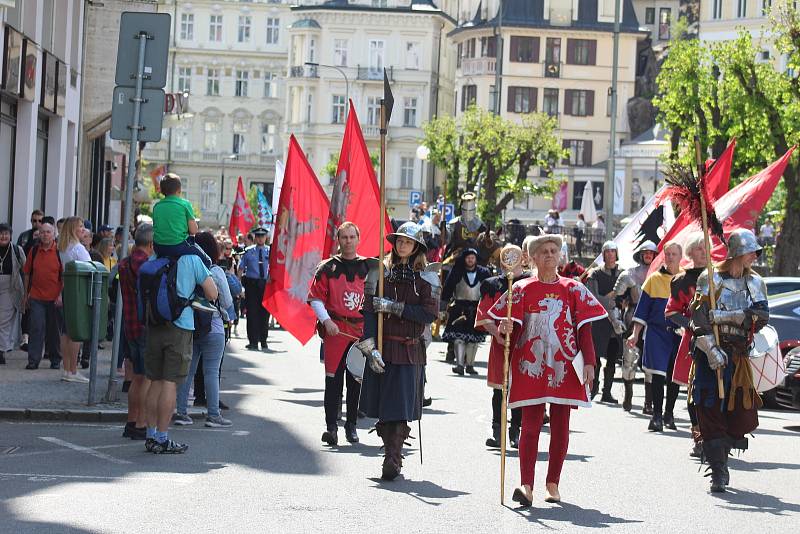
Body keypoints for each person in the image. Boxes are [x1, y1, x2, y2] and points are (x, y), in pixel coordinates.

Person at [496, 234, 605, 506]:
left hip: (564, 364)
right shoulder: (520, 288)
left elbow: (584, 329)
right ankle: (526, 484)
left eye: (554, 250)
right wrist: (504, 328)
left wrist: (589, 362)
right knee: (530, 426)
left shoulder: (574, 289)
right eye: (543, 251)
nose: (549, 255)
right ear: (532, 257)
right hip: (531, 363)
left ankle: (553, 483)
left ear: (560, 255)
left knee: (560, 426)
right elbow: (511, 327)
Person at [355, 222, 439, 480]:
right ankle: (390, 453)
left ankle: (393, 456)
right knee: (383, 404)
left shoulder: (426, 278)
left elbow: (429, 314)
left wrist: (393, 307)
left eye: (408, 242)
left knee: (400, 406)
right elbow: (368, 312)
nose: (402, 245)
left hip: (409, 348)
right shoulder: (379, 273)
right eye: (400, 241)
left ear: (416, 248)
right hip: (383, 346)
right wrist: (370, 348)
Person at [690, 228, 768, 493]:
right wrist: (711, 350)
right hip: (709, 354)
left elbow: (760, 315)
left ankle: (720, 457)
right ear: (737, 252)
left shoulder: (755, 282)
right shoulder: (709, 279)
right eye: (750, 252)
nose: (754, 257)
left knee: (738, 413)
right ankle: (718, 473)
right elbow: (697, 321)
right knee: (710, 409)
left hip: (738, 355)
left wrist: (725, 316)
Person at [143, 246, 218, 454]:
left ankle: (149, 435)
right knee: (170, 383)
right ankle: (162, 438)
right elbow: (212, 293)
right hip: (180, 326)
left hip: (155, 324)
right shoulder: (192, 259)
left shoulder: (156, 255)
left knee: (154, 381)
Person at [307, 222, 370, 446]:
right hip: (336, 330)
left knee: (355, 381)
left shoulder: (369, 268)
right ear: (338, 240)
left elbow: (377, 300)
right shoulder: (327, 268)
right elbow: (315, 297)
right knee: (333, 381)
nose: (348, 241)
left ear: (358, 238)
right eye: (344, 237)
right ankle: (331, 427)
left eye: (352, 236)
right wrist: (326, 320)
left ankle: (351, 426)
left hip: (359, 332)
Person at [175, 232, 234, 429]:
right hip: (214, 325)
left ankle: (181, 413)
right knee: (211, 371)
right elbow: (226, 301)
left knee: (187, 372)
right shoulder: (215, 271)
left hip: (191, 325)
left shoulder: (187, 266)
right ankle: (213, 415)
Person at [475, 245, 531, 449]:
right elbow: (483, 315)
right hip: (501, 345)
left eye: (514, 256)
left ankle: (516, 430)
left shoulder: (529, 284)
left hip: (525, 344)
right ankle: (498, 431)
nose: (510, 259)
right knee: (500, 390)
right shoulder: (492, 285)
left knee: (520, 390)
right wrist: (497, 333)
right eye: (506, 257)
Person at [628, 241, 683, 432]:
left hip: (678, 334)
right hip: (657, 333)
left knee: (674, 376)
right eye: (667, 254)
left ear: (680, 256)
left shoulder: (685, 279)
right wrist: (635, 334)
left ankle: (669, 413)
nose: (670, 257)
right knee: (658, 375)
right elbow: (642, 310)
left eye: (674, 254)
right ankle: (657, 415)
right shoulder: (653, 279)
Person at [664, 233, 707, 457]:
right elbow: (671, 312)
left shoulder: (719, 276)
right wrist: (692, 323)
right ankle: (699, 437)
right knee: (693, 390)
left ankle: (718, 437)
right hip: (694, 341)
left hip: (721, 339)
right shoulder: (682, 281)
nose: (703, 251)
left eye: (705, 247)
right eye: (698, 248)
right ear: (690, 253)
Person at [118, 224, 154, 440]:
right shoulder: (144, 264)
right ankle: (140, 424)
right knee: (145, 378)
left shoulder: (125, 262)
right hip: (143, 326)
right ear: (151, 244)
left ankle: (132, 421)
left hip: (130, 325)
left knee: (137, 378)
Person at [613, 240, 658, 412]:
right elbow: (615, 300)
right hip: (632, 319)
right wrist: (617, 319)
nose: (648, 255)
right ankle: (629, 396)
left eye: (651, 253)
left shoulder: (661, 274)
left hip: (653, 321)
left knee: (650, 363)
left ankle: (648, 403)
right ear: (640, 254)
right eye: (645, 252)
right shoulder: (629, 274)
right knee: (629, 360)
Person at [441, 248, 491, 375]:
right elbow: (447, 289)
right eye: (468, 257)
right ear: (464, 258)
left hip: (476, 308)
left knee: (474, 340)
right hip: (459, 308)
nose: (470, 259)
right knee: (458, 338)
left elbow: (490, 290)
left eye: (472, 257)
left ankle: (470, 365)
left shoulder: (484, 272)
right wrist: (442, 306)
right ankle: (459, 365)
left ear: (476, 259)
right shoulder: (457, 271)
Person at [21, 223, 63, 371]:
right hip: (37, 297)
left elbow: (64, 276)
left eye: (48, 232)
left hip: (54, 298)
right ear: (39, 234)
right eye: (42, 232)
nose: (45, 235)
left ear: (53, 234)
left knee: (53, 331)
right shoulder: (34, 251)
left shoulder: (59, 251)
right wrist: (26, 294)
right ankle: (33, 360)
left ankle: (55, 359)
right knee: (36, 328)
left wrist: (60, 295)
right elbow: (27, 273)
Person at [584, 241, 621, 403]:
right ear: (603, 254)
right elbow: (593, 297)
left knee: (612, 356)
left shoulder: (622, 274)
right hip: (599, 320)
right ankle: (594, 388)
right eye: (607, 251)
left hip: (616, 321)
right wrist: (610, 302)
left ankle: (607, 391)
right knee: (596, 356)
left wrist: (619, 304)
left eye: (613, 251)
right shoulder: (595, 274)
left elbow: (625, 296)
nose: (610, 254)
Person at [58, 217, 93, 382]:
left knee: (66, 331)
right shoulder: (78, 248)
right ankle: (73, 370)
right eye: (80, 226)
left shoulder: (64, 247)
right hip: (79, 290)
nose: (83, 229)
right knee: (76, 332)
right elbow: (90, 268)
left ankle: (67, 369)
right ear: (73, 229)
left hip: (68, 289)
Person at [151, 173, 210, 266]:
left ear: (162, 190)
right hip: (178, 246)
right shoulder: (184, 204)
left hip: (158, 247)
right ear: (179, 190)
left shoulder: (157, 206)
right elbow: (193, 230)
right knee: (207, 261)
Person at [238, 226, 272, 351]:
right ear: (255, 238)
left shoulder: (270, 251)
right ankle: (253, 341)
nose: (260, 238)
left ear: (265, 237)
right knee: (252, 313)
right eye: (258, 236)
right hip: (252, 285)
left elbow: (275, 269)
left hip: (265, 284)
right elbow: (241, 268)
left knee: (264, 313)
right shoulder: (248, 251)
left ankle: (263, 340)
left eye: (262, 236)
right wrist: (239, 286)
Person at [0, 224, 26, 365]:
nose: (3, 236)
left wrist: (25, 292)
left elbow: (25, 269)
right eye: (1, 233)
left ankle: (1, 350)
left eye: (6, 234)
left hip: (10, 286)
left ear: (10, 235)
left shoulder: (17, 250)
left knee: (4, 319)